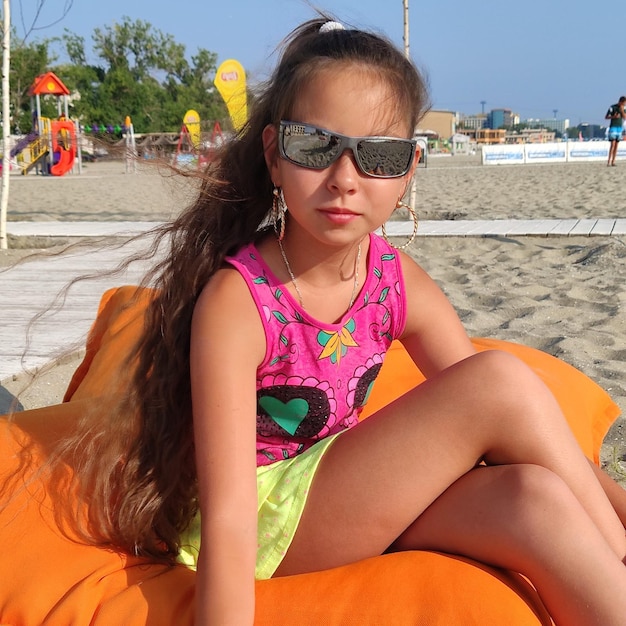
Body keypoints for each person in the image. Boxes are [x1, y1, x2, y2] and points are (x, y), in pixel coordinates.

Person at [13, 16, 626, 626]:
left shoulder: (393, 279)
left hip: (334, 493)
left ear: (408, 170)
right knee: (499, 381)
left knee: (533, 499)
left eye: (377, 156)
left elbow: (525, 432)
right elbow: (229, 514)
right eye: (315, 147)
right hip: (260, 523)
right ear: (275, 157)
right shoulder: (241, 300)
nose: (344, 180)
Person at [605, 96, 626, 165]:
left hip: (619, 128)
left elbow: (624, 117)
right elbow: (606, 117)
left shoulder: (623, 108)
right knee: (612, 144)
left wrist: (622, 111)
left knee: (617, 145)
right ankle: (608, 161)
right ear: (620, 102)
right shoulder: (613, 107)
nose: (624, 104)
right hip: (613, 127)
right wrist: (613, 117)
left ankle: (613, 161)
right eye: (623, 103)